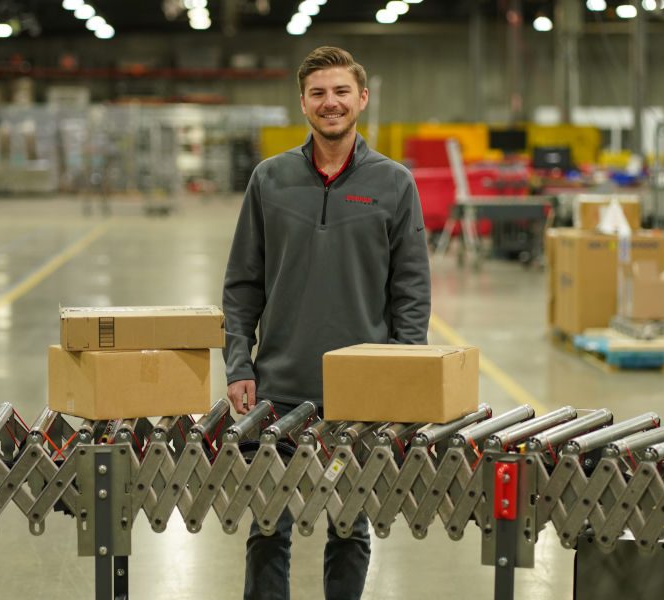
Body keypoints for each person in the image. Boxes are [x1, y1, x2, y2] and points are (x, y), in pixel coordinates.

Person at [222, 46, 431, 600]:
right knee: (268, 528)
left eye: (341, 91)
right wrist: (238, 362)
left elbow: (411, 293)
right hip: (278, 391)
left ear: (362, 98)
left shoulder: (394, 184)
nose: (330, 103)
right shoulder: (270, 179)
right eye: (318, 93)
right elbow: (243, 284)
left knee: (349, 527)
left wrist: (404, 380)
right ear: (303, 104)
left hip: (358, 396)